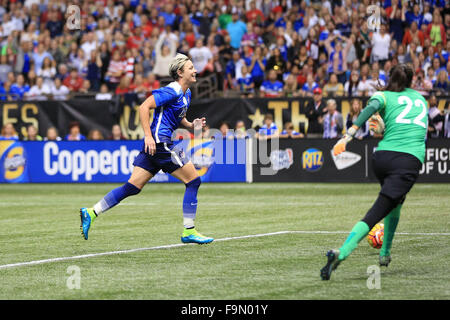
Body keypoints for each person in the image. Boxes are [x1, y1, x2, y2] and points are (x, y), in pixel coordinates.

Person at [80, 53, 214, 245]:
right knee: (193, 181)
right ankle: (189, 230)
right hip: (160, 143)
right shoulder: (172, 90)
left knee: (132, 187)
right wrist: (149, 136)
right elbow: (144, 107)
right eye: (191, 68)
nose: (195, 70)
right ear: (180, 72)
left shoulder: (186, 93)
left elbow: (178, 117)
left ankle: (91, 212)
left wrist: (191, 125)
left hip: (155, 144)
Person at [321, 64, 428, 280]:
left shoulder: (383, 95)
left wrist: (348, 136)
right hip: (408, 160)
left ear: (391, 78)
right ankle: (342, 252)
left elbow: (367, 111)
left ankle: (385, 253)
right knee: (378, 211)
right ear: (411, 80)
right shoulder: (421, 99)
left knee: (396, 201)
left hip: (382, 157)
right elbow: (411, 127)